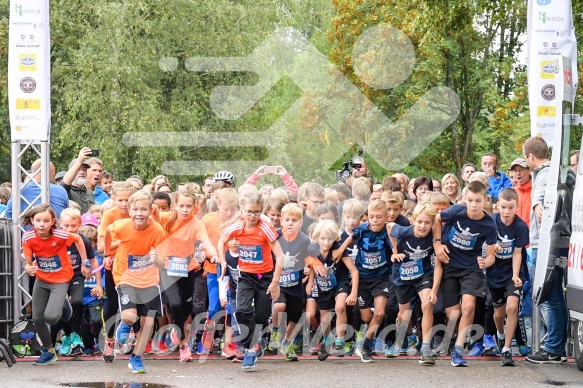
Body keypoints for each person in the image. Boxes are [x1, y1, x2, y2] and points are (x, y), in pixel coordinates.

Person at [432, 181, 497, 367]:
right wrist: (437, 244)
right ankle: (451, 337)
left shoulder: (489, 223)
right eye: (470, 200)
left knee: (468, 307)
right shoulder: (455, 212)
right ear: (464, 199)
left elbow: (491, 255)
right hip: (449, 264)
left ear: (485, 200)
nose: (474, 205)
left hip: (472, 267)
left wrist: (487, 261)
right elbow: (436, 219)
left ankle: (458, 350)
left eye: (478, 201)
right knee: (453, 313)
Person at [218, 192, 285, 370]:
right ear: (243, 210)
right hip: (246, 276)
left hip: (265, 277)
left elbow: (279, 255)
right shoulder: (237, 228)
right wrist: (223, 261)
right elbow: (221, 240)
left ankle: (257, 340)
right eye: (249, 211)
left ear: (261, 211)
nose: (252, 215)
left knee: (262, 317)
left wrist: (275, 281)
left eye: (256, 212)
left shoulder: (265, 228)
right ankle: (250, 349)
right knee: (241, 311)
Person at [104, 190, 167, 374]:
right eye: (136, 209)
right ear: (129, 211)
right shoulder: (121, 226)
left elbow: (164, 262)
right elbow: (108, 232)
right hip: (126, 276)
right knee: (130, 316)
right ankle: (125, 324)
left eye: (144, 209)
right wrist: (107, 254)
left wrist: (156, 259)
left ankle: (136, 358)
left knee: (148, 324)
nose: (139, 213)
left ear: (150, 211)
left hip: (149, 280)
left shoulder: (157, 230)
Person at [22, 204, 91, 365]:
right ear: (32, 221)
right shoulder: (28, 237)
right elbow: (28, 261)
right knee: (38, 318)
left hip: (61, 278)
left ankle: (64, 305)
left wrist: (84, 262)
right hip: (42, 279)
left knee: (51, 318)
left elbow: (79, 240)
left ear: (53, 222)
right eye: (38, 220)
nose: (41, 224)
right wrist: (28, 267)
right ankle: (49, 350)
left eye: (46, 221)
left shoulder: (60, 235)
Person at [158, 186, 219, 363]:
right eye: (182, 206)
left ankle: (177, 330)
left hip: (187, 268)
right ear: (175, 205)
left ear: (195, 208)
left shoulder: (196, 223)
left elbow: (206, 241)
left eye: (189, 206)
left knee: (185, 309)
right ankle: (183, 344)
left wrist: (213, 254)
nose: (185, 210)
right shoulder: (165, 218)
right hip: (166, 266)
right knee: (174, 303)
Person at [523, 136, 568, 364]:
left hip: (545, 243)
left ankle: (553, 348)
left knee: (549, 295)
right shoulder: (557, 172)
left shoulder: (543, 175)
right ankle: (556, 346)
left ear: (530, 156)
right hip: (557, 240)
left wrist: (537, 206)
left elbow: (541, 204)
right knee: (556, 295)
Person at [332, 200, 393, 363]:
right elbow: (351, 237)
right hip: (364, 278)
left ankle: (364, 346)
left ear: (386, 217)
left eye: (379, 217)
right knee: (366, 317)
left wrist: (395, 253)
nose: (375, 220)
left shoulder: (388, 230)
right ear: (367, 217)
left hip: (382, 276)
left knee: (379, 312)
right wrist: (340, 249)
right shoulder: (362, 229)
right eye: (372, 216)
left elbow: (395, 243)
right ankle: (370, 333)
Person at [387, 202, 439, 365]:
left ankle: (425, 347)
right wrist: (394, 251)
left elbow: (438, 266)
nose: (423, 226)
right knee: (404, 314)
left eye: (427, 223)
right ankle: (402, 336)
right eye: (420, 222)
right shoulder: (403, 231)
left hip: (423, 275)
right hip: (402, 276)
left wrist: (434, 290)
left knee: (427, 305)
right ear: (414, 220)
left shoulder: (434, 236)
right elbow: (389, 226)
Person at [487, 188, 529, 366]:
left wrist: (515, 276)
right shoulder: (491, 222)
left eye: (510, 208)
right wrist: (492, 248)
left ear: (516, 207)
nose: (506, 212)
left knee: (512, 307)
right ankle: (500, 334)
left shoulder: (520, 226)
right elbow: (484, 246)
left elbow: (517, 253)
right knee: (499, 313)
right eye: (503, 207)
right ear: (497, 206)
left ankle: (506, 349)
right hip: (495, 271)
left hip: (513, 269)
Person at [306, 219, 358, 361]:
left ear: (335, 237)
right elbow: (311, 265)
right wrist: (310, 282)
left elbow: (354, 271)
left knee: (340, 307)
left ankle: (340, 341)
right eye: (323, 238)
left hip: (340, 283)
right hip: (323, 286)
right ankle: (327, 340)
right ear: (317, 237)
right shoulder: (313, 249)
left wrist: (353, 292)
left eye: (330, 238)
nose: (326, 242)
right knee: (325, 318)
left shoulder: (339, 249)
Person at [97, 182, 137, 362]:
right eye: (120, 199)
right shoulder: (109, 216)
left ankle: (135, 337)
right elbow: (100, 247)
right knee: (112, 303)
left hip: (136, 264)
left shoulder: (139, 214)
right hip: (113, 264)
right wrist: (122, 242)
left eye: (127, 200)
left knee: (138, 302)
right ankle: (110, 340)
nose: (123, 203)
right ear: (113, 198)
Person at [269, 203, 314, 361]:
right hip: (279, 283)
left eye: (294, 220)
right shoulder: (274, 237)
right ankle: (275, 330)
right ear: (281, 221)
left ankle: (286, 343)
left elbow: (312, 260)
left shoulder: (305, 240)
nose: (290, 223)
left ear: (301, 223)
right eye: (287, 219)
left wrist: (309, 277)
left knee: (295, 319)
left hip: (295, 285)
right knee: (279, 306)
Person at [54, 208, 102, 357]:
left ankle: (75, 333)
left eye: (73, 226)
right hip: (60, 276)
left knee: (77, 302)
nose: (69, 229)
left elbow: (94, 262)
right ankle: (67, 336)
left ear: (79, 224)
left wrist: (99, 284)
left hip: (76, 275)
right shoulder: (56, 239)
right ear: (60, 224)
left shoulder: (84, 241)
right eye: (66, 226)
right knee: (61, 307)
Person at [510, 158, 532, 229]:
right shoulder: (512, 192)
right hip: (516, 235)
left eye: (521, 169)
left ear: (529, 170)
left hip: (533, 235)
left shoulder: (536, 190)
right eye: (515, 170)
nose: (518, 173)